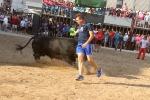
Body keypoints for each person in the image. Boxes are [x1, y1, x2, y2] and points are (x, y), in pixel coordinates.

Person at [74, 14, 102, 81]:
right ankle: (80, 75)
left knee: (89, 59)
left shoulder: (88, 25)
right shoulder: (80, 25)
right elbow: (79, 30)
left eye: (77, 20)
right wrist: (75, 32)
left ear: (81, 19)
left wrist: (86, 43)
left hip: (88, 44)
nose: (76, 21)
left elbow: (91, 35)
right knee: (80, 58)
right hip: (80, 43)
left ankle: (98, 69)